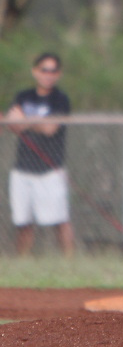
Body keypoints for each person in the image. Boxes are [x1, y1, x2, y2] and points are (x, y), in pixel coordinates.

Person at [6, 52, 74, 257]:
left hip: (49, 169)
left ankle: (70, 263)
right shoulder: (23, 96)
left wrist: (25, 121)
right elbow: (12, 124)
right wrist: (29, 123)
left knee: (59, 220)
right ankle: (22, 263)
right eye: (44, 70)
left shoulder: (60, 99)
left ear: (59, 74)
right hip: (22, 168)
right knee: (23, 222)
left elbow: (50, 128)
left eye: (53, 71)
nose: (49, 75)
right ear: (35, 72)